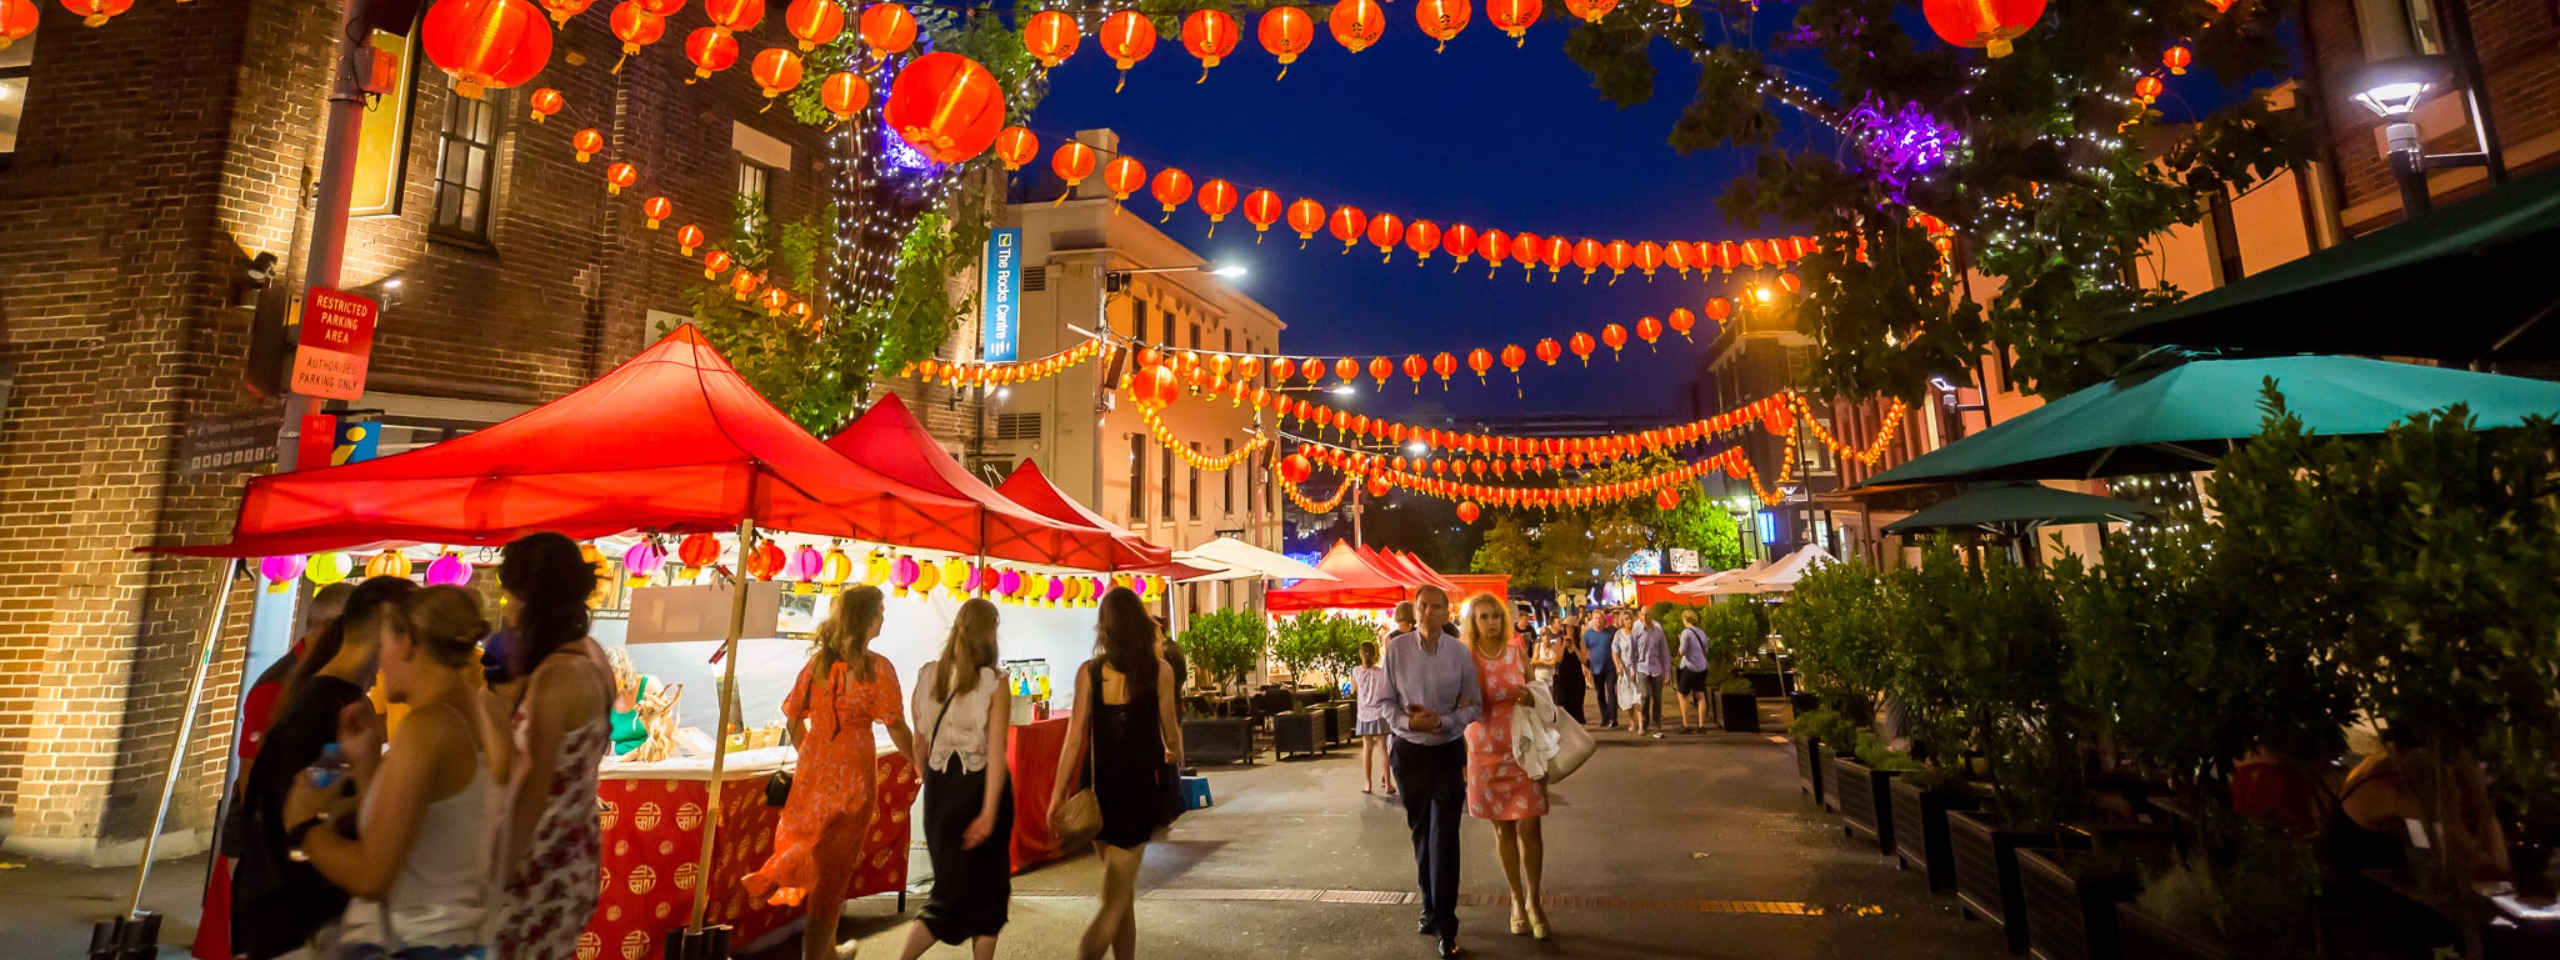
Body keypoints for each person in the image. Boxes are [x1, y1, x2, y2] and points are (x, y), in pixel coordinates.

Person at [283, 585, 495, 960]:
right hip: (459, 939)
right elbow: (414, 837)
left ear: (408, 643)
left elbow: (372, 875)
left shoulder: (428, 727)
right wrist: (366, 767)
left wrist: (303, 826)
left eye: (384, 645)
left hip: (422, 941)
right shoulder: (481, 713)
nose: (380, 661)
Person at [232, 576, 414, 960]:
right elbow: (306, 802)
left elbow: (319, 789)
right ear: (388, 635)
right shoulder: (331, 710)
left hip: (287, 911)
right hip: (296, 916)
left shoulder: (328, 700)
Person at [746, 584, 919, 960]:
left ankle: (828, 950)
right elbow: (895, 726)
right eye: (881, 611)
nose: (884, 617)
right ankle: (817, 955)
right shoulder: (877, 668)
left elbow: (792, 719)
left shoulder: (816, 666)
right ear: (867, 618)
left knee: (822, 862)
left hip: (813, 771)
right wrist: (917, 760)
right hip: (854, 775)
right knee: (833, 870)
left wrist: (812, 753)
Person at [198, 581, 354, 960]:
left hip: (296, 836)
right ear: (329, 629)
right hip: (263, 839)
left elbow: (323, 758)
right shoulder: (278, 686)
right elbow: (253, 772)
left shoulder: (331, 687)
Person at [485, 532, 614, 960]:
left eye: (513, 599)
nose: (511, 611)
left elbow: (533, 787)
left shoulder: (554, 676)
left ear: (534, 599)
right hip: (577, 848)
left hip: (540, 860)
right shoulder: (594, 657)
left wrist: (495, 875)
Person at [1051, 587, 1184, 960]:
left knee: (1121, 896)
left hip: (1096, 793)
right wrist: (1175, 750)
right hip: (1136, 794)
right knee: (1114, 902)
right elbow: (1170, 732)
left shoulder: (1089, 673)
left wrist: (1056, 795)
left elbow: (1073, 740)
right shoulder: (1159, 672)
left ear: (1105, 627)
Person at [897, 598, 1013, 960]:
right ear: (990, 634)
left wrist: (929, 779)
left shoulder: (927, 674)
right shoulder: (994, 683)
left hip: (940, 794)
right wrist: (989, 814)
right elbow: (996, 755)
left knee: (946, 892)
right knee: (990, 895)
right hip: (981, 792)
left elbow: (918, 740)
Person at [1377, 585, 1479, 959]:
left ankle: (1445, 925)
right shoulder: (1396, 650)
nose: (1428, 612)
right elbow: (1383, 703)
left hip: (1447, 751)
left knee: (1445, 837)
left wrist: (1446, 720)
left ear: (1446, 613)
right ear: (1413, 610)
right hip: (1409, 753)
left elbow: (1474, 705)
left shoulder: (1459, 654)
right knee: (1421, 832)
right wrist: (1410, 721)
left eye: (1436, 607)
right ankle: (1428, 903)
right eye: (1422, 606)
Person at [1460, 593, 1551, 941]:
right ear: (1474, 622)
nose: (1491, 622)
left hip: (1521, 748)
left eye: (1495, 616)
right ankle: (1516, 898)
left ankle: (1535, 899)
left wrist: (1527, 695)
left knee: (1531, 826)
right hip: (1485, 750)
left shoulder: (1516, 651)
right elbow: (1461, 700)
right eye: (1483, 617)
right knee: (1504, 831)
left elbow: (1536, 690)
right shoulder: (1467, 658)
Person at [603, 645, 671, 757]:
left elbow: (666, 733)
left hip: (652, 761)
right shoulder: (604, 696)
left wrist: (634, 755)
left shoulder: (649, 686)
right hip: (621, 764)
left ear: (622, 670)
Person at [1352, 640, 1395, 796]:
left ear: (1361, 655)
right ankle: (1388, 784)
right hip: (1379, 714)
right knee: (1383, 748)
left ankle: (1368, 784)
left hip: (1364, 715)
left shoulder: (1356, 671)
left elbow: (1352, 690)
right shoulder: (1381, 672)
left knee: (1367, 749)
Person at [1632, 607, 1671, 739]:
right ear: (1640, 616)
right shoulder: (1636, 631)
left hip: (1657, 669)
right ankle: (1644, 722)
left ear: (1651, 616)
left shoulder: (1658, 631)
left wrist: (1667, 672)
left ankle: (1657, 725)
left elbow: (1665, 652)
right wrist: (1632, 669)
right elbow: (1633, 652)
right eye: (1643, 614)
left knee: (1657, 698)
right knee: (1645, 696)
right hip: (1642, 668)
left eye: (1647, 614)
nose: (1645, 617)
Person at [1549, 616, 1591, 726]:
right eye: (1566, 627)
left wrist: (1575, 647)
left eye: (1571, 627)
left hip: (1576, 677)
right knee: (1565, 704)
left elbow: (1584, 660)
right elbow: (1558, 659)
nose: (1569, 629)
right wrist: (1563, 646)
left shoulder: (1580, 640)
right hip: (1564, 677)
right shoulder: (1560, 640)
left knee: (1577, 704)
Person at [1674, 610, 1710, 733]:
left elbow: (1682, 651)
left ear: (1685, 619)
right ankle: (1701, 726)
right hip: (1702, 667)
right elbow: (1706, 650)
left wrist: (1680, 641)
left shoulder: (1686, 633)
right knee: (1700, 695)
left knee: (1682, 694)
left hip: (1690, 667)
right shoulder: (1701, 632)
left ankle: (1686, 724)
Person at [1613, 616, 1648, 738]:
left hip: (1638, 669)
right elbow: (1615, 651)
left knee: (1638, 697)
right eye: (1626, 619)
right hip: (1625, 671)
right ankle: (1632, 721)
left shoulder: (1638, 632)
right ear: (1622, 621)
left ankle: (1641, 725)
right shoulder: (1618, 635)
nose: (1629, 621)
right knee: (1629, 698)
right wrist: (1618, 667)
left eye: (1631, 619)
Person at [1583, 612, 1617, 729]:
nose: (1598, 621)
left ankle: (1613, 717)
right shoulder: (1588, 635)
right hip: (1596, 669)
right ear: (1592, 620)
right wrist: (1584, 666)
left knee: (1611, 690)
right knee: (1600, 694)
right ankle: (1605, 717)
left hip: (1610, 667)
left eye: (1600, 619)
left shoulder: (1609, 634)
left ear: (1603, 620)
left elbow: (1615, 649)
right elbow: (1584, 651)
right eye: (1596, 618)